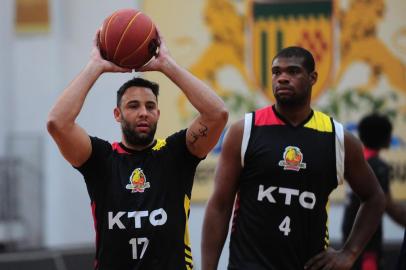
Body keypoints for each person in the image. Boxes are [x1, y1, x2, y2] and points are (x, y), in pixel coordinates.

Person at [47, 27, 228, 270]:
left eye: (150, 106)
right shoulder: (101, 159)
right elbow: (57, 123)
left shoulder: (176, 154)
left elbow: (217, 114)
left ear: (158, 114)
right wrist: (95, 66)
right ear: (117, 114)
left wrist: (167, 65)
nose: (143, 112)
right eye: (133, 106)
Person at [201, 46, 386, 270]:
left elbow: (375, 197)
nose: (282, 78)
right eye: (276, 72)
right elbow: (220, 205)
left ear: (313, 77)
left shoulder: (337, 138)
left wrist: (349, 253)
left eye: (293, 71)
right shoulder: (245, 131)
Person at [342, 113, 406, 269]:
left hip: (349, 235)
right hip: (367, 240)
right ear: (384, 137)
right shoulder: (378, 167)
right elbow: (388, 205)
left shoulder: (356, 160)